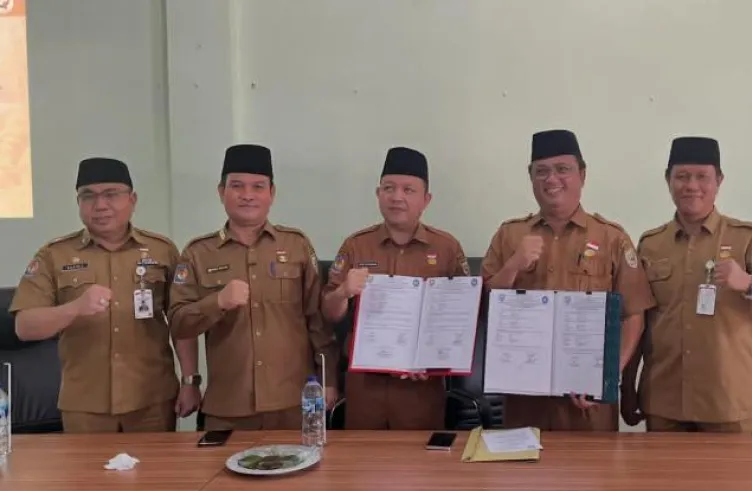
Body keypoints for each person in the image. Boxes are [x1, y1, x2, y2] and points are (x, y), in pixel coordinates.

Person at [9, 157, 200, 433]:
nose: (100, 205)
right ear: (78, 202)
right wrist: (74, 308)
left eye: (111, 194)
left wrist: (190, 381)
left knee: (155, 463)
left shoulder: (162, 250)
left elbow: (182, 322)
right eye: (88, 196)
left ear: (132, 200)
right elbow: (24, 327)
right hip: (85, 404)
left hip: (152, 400)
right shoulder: (54, 255)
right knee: (88, 465)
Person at [481, 129, 655, 431]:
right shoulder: (509, 235)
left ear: (582, 175)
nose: (552, 179)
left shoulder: (612, 238)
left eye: (563, 169)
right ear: (531, 176)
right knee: (521, 462)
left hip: (587, 407)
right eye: (542, 171)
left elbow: (633, 316)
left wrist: (607, 376)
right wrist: (513, 266)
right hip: (524, 404)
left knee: (591, 464)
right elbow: (483, 306)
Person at [168, 144, 338, 431]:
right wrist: (217, 302)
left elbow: (317, 320)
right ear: (221, 192)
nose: (247, 195)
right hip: (228, 405)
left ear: (272, 193)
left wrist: (328, 379)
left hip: (292, 403)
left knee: (301, 461)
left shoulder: (296, 245)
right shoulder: (198, 253)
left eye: (258, 187)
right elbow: (178, 323)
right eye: (237, 186)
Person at [625, 136, 752, 433]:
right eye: (682, 176)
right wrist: (626, 387)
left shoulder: (747, 237)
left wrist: (750, 283)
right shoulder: (651, 244)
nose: (691, 185)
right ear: (668, 180)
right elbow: (638, 319)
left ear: (719, 181)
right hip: (664, 400)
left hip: (728, 402)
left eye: (702, 176)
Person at [322, 146, 470, 430]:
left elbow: (462, 317)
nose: (397, 197)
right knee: (363, 456)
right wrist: (343, 292)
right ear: (378, 194)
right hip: (365, 385)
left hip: (422, 387)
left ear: (426, 199)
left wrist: (433, 359)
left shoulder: (446, 248)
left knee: (420, 457)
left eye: (408, 190)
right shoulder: (356, 245)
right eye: (389, 188)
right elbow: (329, 313)